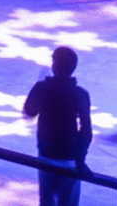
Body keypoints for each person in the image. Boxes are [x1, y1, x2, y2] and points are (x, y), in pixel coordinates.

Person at [23, 46, 92, 206]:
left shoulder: (41, 88)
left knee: (46, 202)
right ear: (73, 68)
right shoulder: (80, 94)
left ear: (54, 65)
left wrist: (38, 88)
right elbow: (86, 131)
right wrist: (80, 161)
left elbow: (29, 112)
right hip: (69, 158)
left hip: (45, 155)